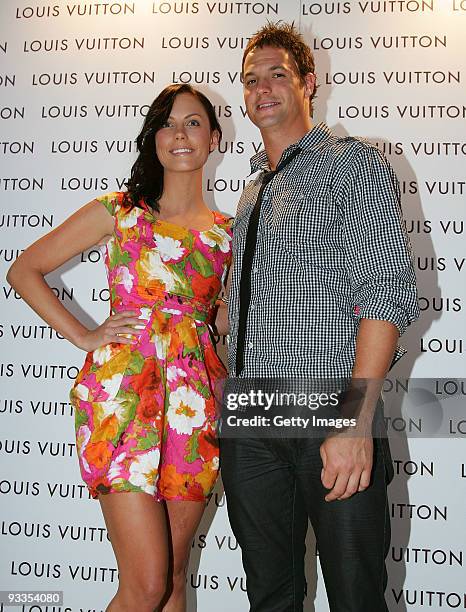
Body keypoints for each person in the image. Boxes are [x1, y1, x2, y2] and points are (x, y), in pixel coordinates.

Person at [7, 83, 232, 612]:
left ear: (215, 138)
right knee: (147, 584)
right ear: (153, 138)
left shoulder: (229, 233)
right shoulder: (120, 211)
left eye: (194, 122)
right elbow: (25, 270)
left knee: (174, 578)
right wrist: (84, 335)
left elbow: (226, 318)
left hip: (195, 408)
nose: (179, 133)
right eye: (167, 123)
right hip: (122, 401)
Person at [219, 22, 419, 611]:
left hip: (332, 405)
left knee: (356, 597)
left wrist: (356, 423)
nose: (262, 90)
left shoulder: (355, 165)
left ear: (309, 82)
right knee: (270, 596)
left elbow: (382, 295)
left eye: (278, 74)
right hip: (251, 415)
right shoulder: (252, 188)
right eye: (251, 80)